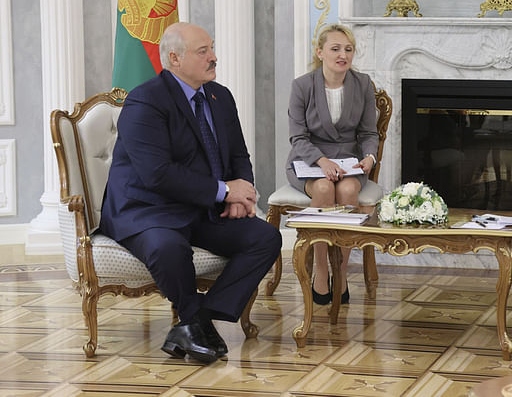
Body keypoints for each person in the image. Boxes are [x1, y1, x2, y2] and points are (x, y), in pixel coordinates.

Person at [100, 22, 281, 364]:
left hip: (199, 207)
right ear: (174, 58)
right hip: (148, 208)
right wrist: (224, 191)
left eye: (211, 48)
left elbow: (239, 155)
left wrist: (242, 195)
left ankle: (198, 322)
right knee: (168, 248)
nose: (214, 57)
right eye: (203, 52)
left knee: (266, 238)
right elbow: (157, 174)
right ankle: (195, 321)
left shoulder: (220, 96)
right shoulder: (146, 100)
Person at [286, 24, 379, 305]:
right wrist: (322, 161)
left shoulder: (362, 83)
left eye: (348, 49)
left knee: (348, 191)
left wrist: (370, 157)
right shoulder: (302, 86)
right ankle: (321, 269)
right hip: (308, 160)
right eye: (335, 49)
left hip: (349, 162)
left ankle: (341, 271)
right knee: (325, 190)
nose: (343, 55)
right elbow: (297, 137)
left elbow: (368, 133)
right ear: (320, 52)